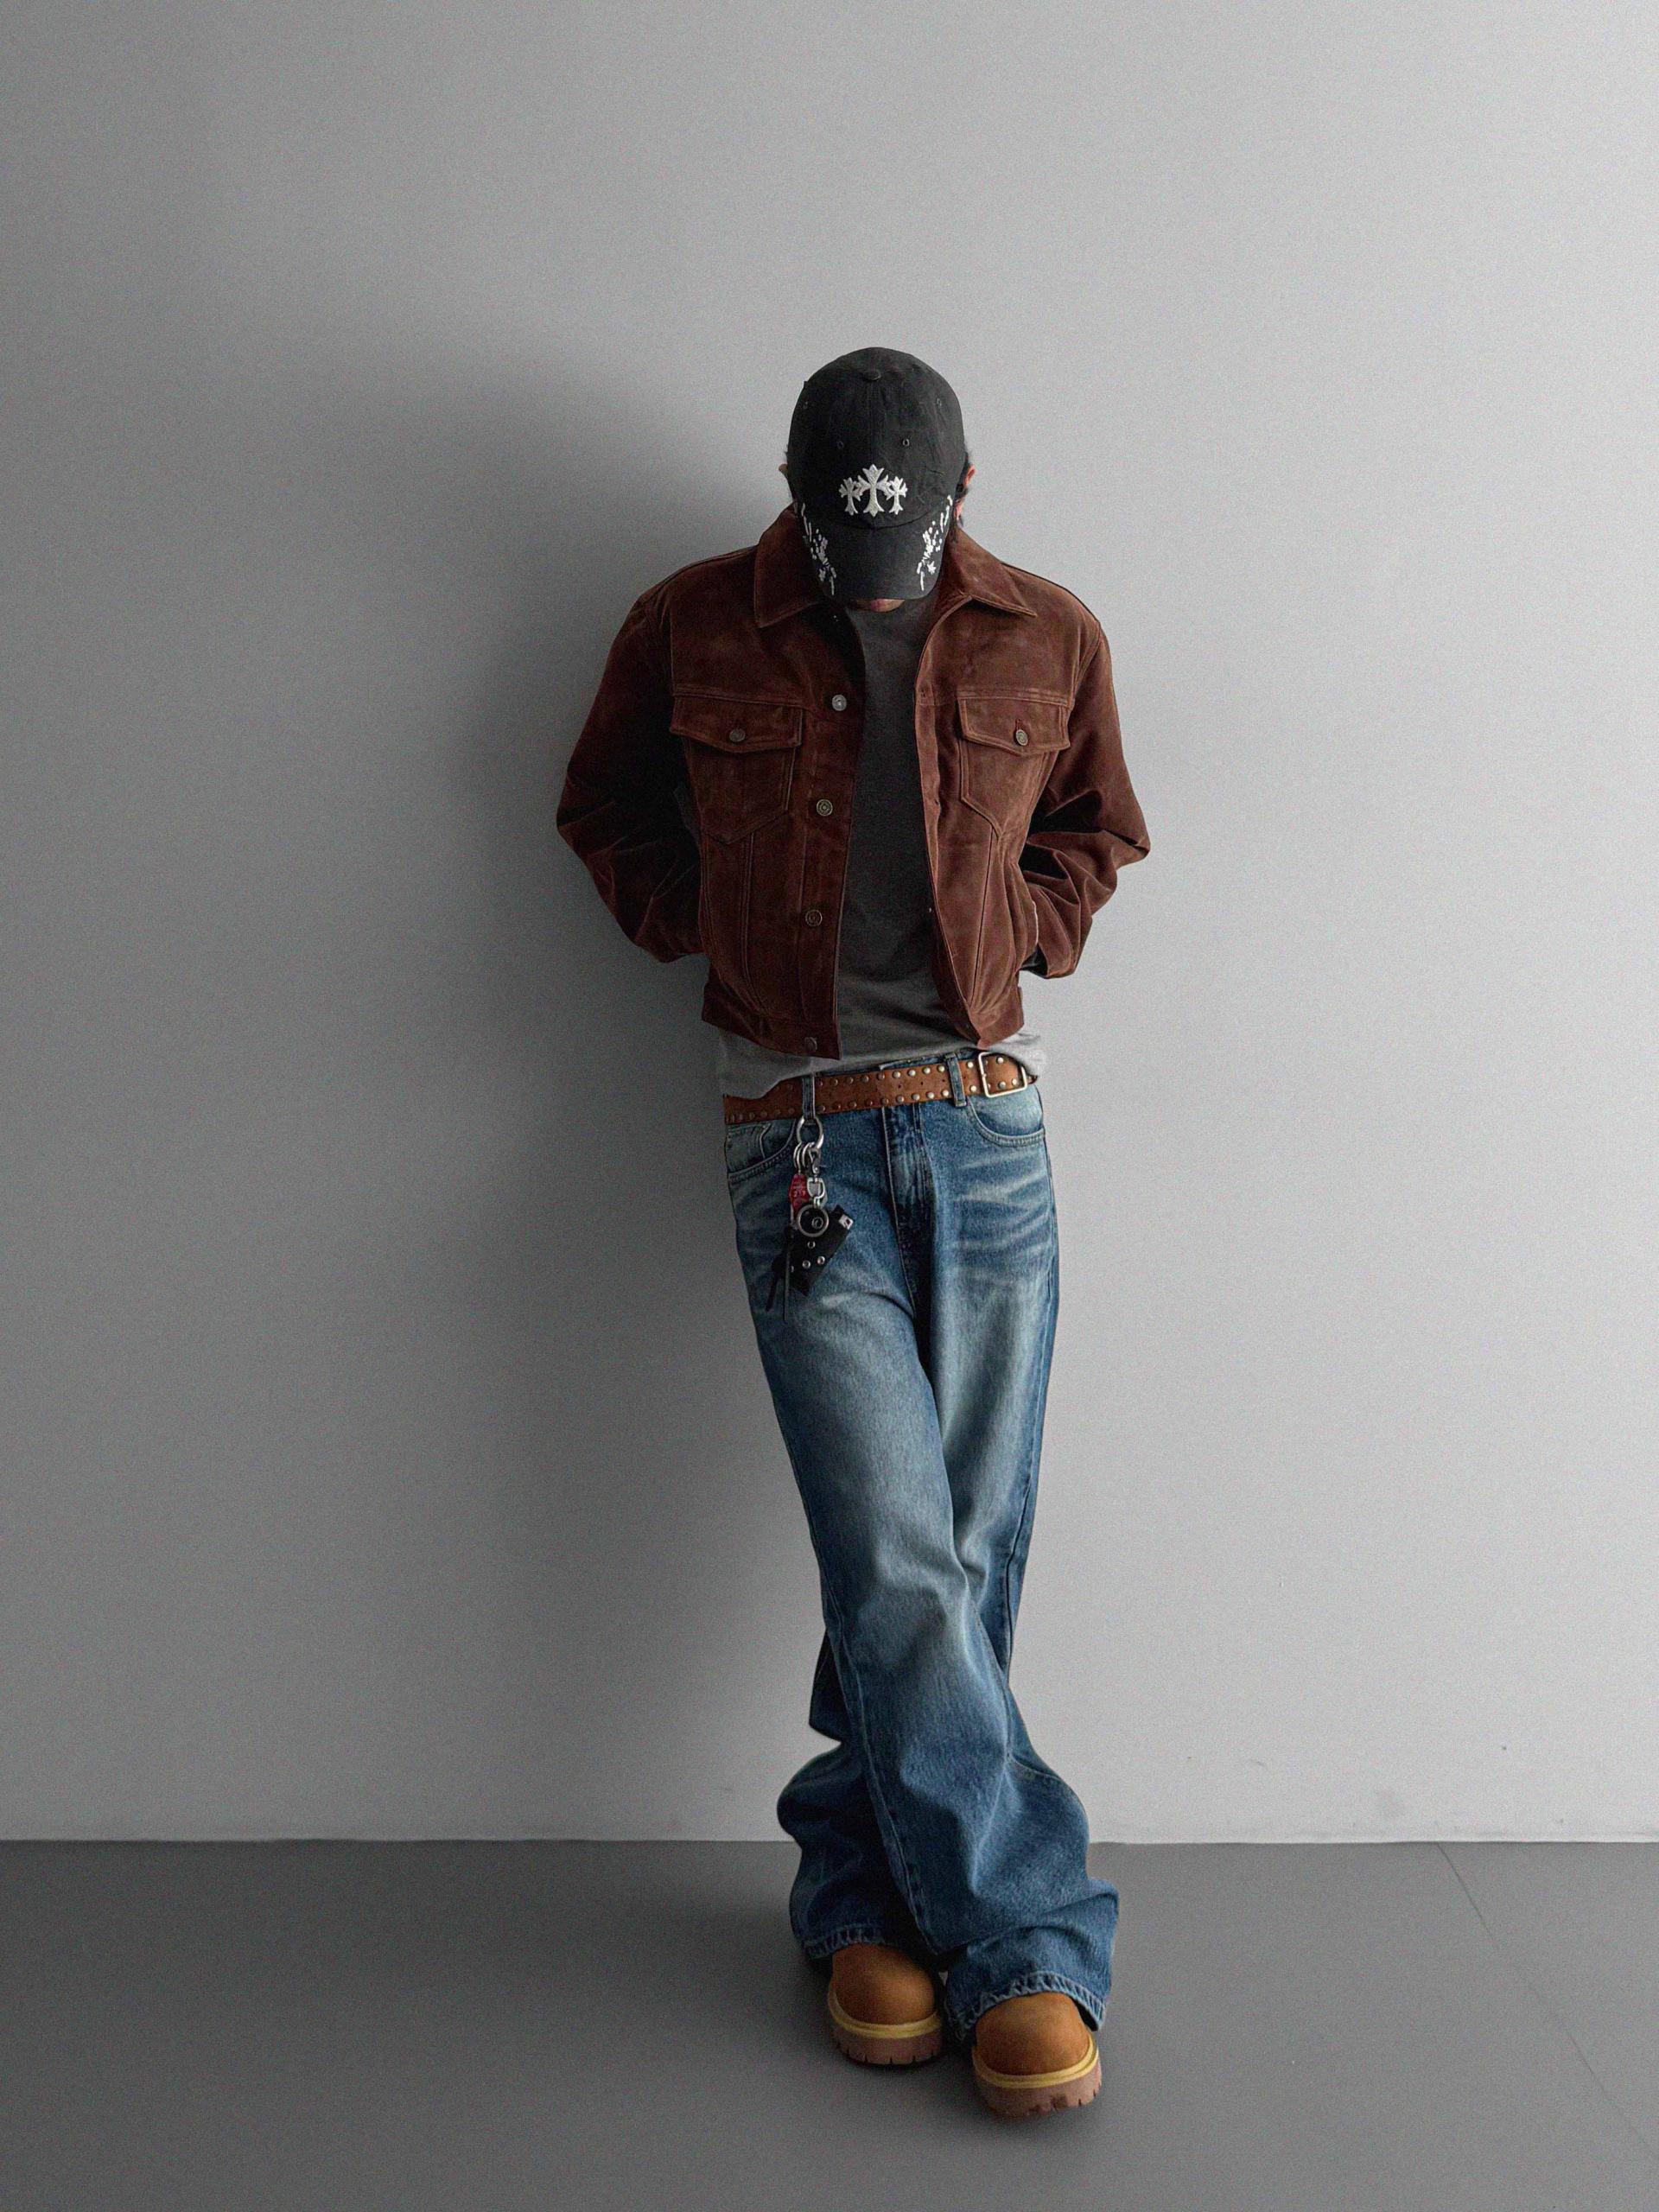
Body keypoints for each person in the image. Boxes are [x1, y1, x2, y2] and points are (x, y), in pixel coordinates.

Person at [556, 346, 1149, 2119]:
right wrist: (717, 931)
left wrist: (1023, 932)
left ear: (962, 495)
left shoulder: (1049, 632)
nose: (870, 576)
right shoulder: (691, 625)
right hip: (796, 1139)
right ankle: (1022, 1934)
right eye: (840, 542)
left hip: (986, 1127)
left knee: (967, 1546)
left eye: (902, 538)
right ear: (799, 501)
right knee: (894, 1549)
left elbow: (1098, 829)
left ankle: (862, 1887)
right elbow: (603, 810)